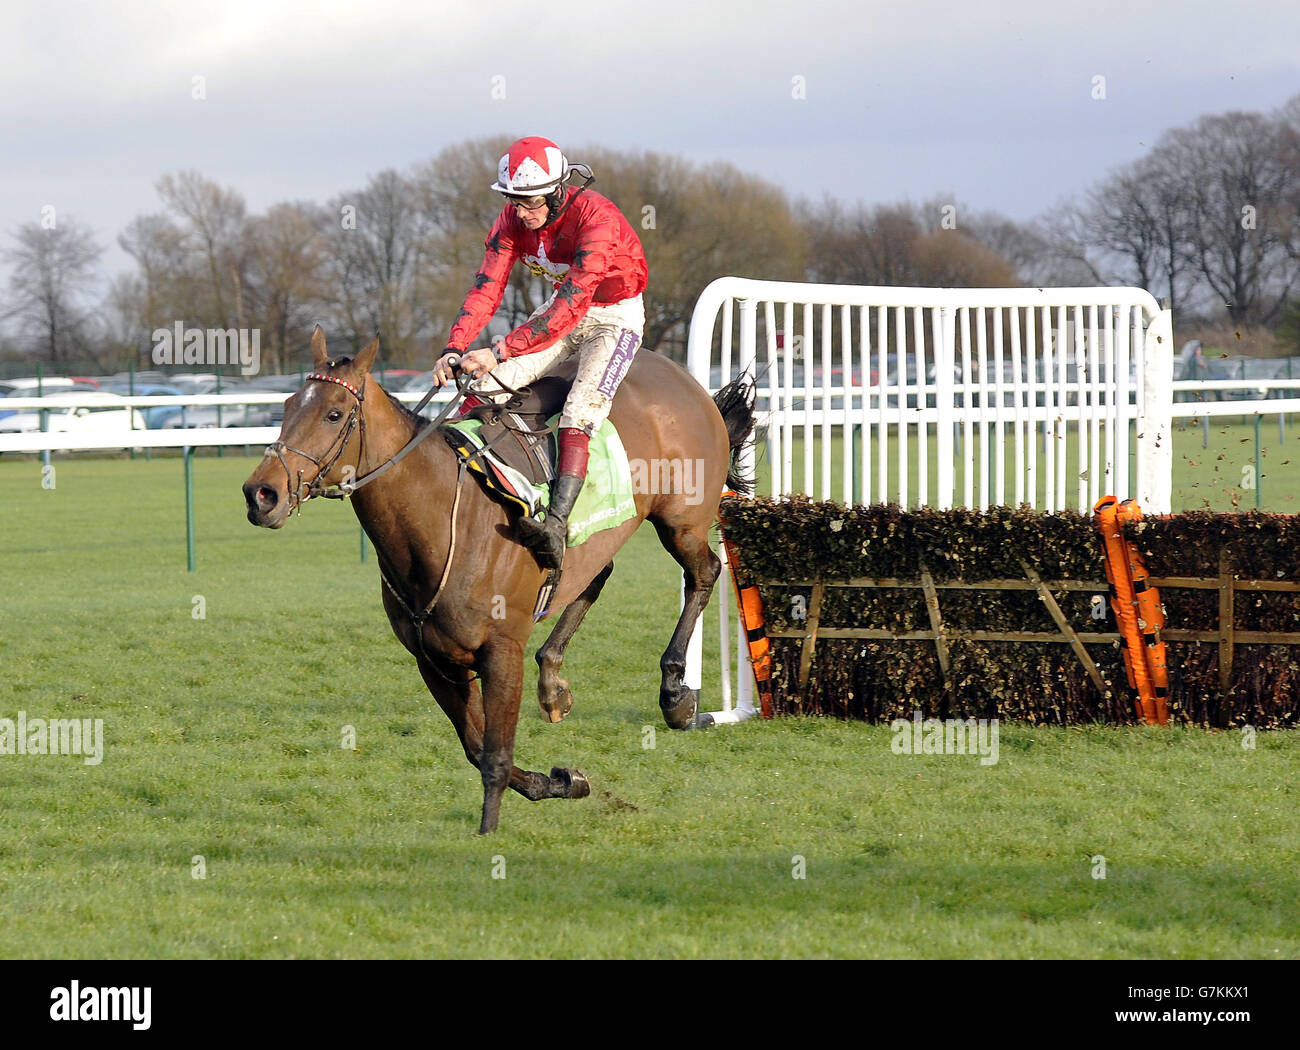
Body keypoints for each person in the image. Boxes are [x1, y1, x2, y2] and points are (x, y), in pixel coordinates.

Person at [433, 136, 648, 569]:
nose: (523, 214)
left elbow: (574, 303)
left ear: (557, 190)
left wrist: (500, 348)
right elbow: (487, 288)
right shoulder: (510, 221)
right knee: (484, 384)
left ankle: (556, 524)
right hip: (562, 306)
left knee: (580, 410)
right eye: (515, 203)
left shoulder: (597, 218)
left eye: (532, 203)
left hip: (614, 315)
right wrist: (454, 347)